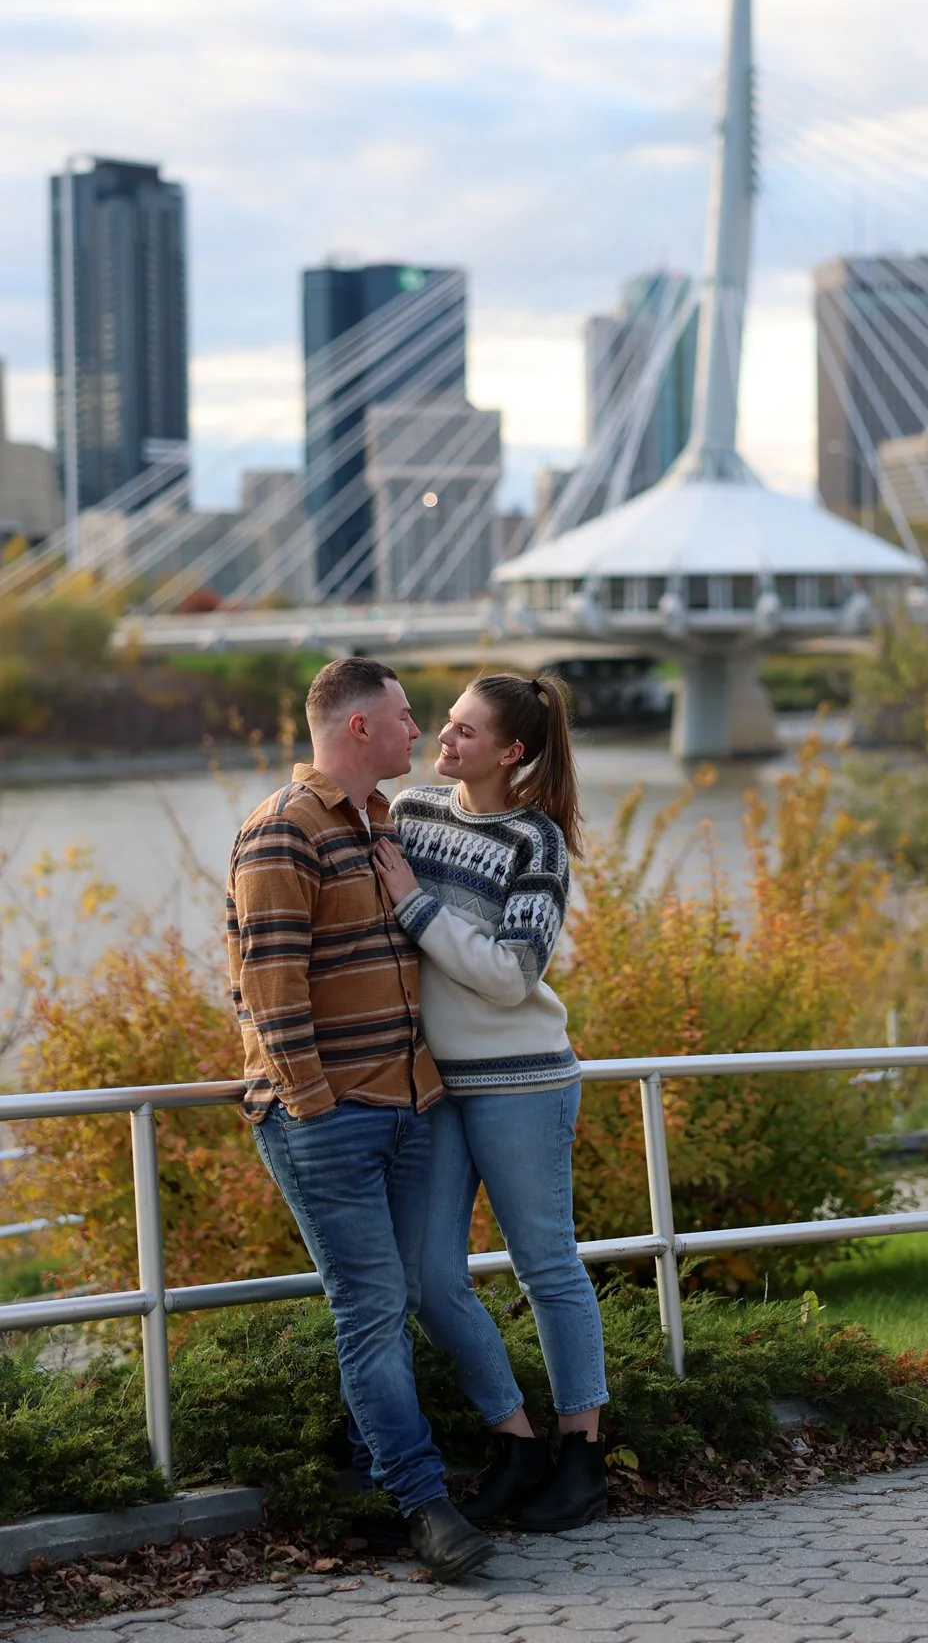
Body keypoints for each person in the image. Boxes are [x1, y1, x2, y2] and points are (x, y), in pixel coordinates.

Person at [226, 656, 493, 1583]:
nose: (418, 734)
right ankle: (425, 1506)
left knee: (409, 1293)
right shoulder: (279, 833)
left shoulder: (386, 824)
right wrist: (314, 1106)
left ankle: (364, 1458)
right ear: (356, 730)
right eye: (406, 717)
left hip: (412, 1110)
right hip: (330, 1121)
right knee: (372, 1307)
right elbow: (268, 992)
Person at [373, 670, 609, 1532]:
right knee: (429, 1279)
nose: (443, 739)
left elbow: (513, 978)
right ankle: (515, 1443)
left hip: (522, 1081)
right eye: (444, 724)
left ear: (511, 751)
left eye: (465, 732)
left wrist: (414, 905)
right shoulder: (411, 815)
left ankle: (582, 1458)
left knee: (547, 1266)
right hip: (432, 1087)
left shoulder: (534, 843)